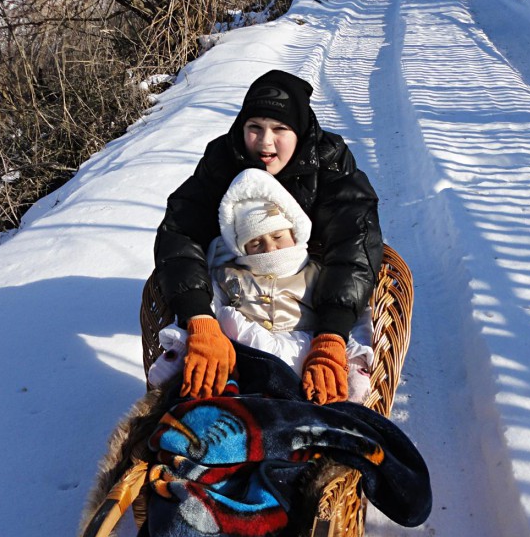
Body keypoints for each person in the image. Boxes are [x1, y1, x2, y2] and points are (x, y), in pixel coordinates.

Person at [154, 69, 382, 403]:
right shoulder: (223, 159)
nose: (265, 142)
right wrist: (199, 317)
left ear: (300, 132)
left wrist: (332, 333)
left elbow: (355, 242)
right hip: (240, 292)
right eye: (254, 128)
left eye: (280, 129)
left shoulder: (331, 163)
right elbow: (179, 232)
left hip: (307, 291)